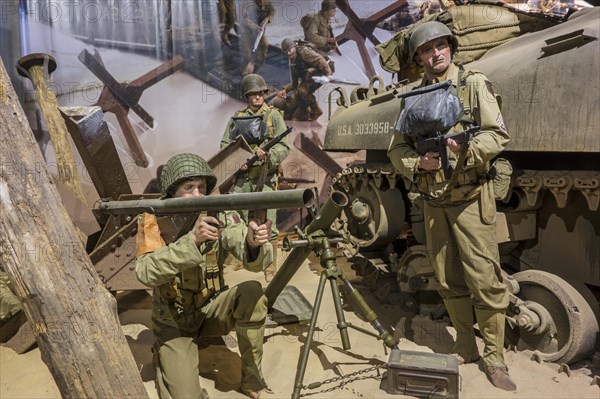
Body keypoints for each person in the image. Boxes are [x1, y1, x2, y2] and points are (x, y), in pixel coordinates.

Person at [387, 21, 516, 391]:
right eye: (427, 50)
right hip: (433, 200)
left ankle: (495, 359)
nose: (436, 53)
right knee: (446, 277)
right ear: (418, 58)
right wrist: (417, 164)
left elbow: (497, 133)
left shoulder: (473, 83)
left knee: (485, 279)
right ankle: (466, 345)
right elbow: (398, 148)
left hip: (471, 198)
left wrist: (467, 151)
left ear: (451, 48)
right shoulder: (413, 96)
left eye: (441, 46)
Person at [135, 153, 274, 399]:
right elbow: (145, 272)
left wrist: (253, 243)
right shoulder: (153, 218)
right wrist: (191, 241)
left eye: (201, 187)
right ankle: (165, 353)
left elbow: (239, 237)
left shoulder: (216, 212)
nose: (197, 194)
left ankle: (252, 379)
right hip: (174, 320)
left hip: (209, 309)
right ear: (171, 192)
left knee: (252, 292)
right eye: (188, 188)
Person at [272, 38, 333, 121]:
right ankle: (308, 111)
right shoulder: (292, 60)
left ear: (294, 46)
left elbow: (320, 61)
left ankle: (316, 110)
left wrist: (328, 74)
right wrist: (290, 89)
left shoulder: (304, 52)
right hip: (310, 76)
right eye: (286, 52)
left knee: (303, 90)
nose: (289, 53)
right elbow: (294, 78)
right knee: (299, 92)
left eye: (290, 50)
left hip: (321, 73)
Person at [239, 0, 274, 76]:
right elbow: (244, 18)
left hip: (260, 34)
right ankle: (243, 69)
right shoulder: (246, 3)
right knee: (247, 56)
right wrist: (255, 27)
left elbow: (271, 12)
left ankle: (256, 72)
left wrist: (267, 18)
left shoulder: (267, 2)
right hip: (247, 33)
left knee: (262, 54)